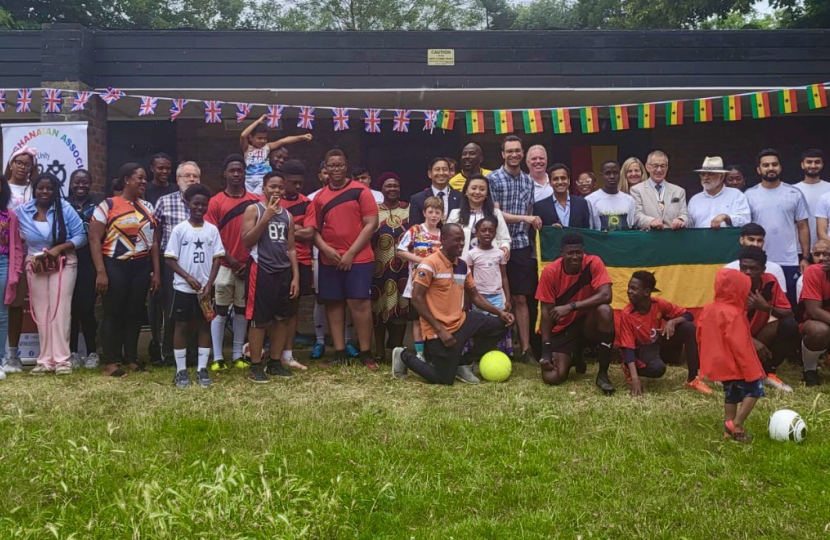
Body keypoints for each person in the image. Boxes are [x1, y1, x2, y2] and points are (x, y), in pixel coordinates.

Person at [391, 223, 514, 385]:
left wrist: (500, 312)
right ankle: (403, 355)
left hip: (460, 321)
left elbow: (475, 296)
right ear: (443, 239)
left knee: (501, 325)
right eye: (457, 240)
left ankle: (463, 363)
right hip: (437, 329)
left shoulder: (462, 265)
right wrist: (440, 330)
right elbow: (416, 299)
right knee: (444, 379)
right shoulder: (429, 264)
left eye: (463, 240)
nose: (461, 244)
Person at [307, 149, 379, 370]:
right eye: (332, 166)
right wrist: (326, 250)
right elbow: (313, 229)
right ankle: (339, 353)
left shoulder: (361, 191)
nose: (336, 169)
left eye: (340, 165)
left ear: (346, 167)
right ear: (325, 169)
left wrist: (350, 253)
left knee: (360, 303)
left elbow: (371, 224)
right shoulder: (319, 197)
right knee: (333, 303)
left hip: (359, 258)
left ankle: (365, 353)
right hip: (330, 258)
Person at [90, 163, 160, 377]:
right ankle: (111, 361)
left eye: (145, 178)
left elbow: (153, 242)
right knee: (113, 313)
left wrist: (156, 272)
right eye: (140, 177)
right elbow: (94, 239)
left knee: (134, 312)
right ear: (126, 180)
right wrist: (101, 271)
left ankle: (131, 358)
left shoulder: (148, 206)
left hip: (140, 267)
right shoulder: (108, 205)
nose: (144, 181)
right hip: (115, 265)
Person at [16, 173, 85, 375]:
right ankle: (45, 361)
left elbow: (81, 236)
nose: (45, 191)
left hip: (63, 261)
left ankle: (62, 361)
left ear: (56, 190)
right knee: (42, 311)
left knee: (60, 310)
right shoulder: (22, 211)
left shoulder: (65, 208)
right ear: (34, 189)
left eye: (49, 188)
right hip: (37, 264)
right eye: (41, 188)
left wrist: (58, 249)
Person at [536, 232, 616, 394]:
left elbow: (606, 295)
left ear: (583, 251)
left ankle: (603, 374)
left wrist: (571, 306)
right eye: (570, 253)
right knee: (552, 377)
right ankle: (575, 355)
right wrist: (546, 350)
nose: (575, 257)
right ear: (562, 253)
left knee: (605, 311)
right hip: (563, 328)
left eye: (578, 252)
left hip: (587, 324)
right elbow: (546, 312)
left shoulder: (593, 262)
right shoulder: (550, 271)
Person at [164, 184, 224, 388]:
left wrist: (209, 284)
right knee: (181, 326)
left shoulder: (212, 230)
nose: (199, 207)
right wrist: (188, 277)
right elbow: (169, 259)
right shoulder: (180, 229)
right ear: (188, 203)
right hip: (183, 287)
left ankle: (202, 369)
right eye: (196, 203)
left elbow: (217, 258)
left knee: (204, 326)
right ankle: (181, 370)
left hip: (204, 290)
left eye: (203, 204)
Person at [241, 172, 299, 383]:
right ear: (264, 188)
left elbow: (291, 248)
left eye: (280, 187)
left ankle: (275, 362)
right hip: (261, 269)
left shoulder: (288, 215)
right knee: (259, 320)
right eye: (272, 186)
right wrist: (266, 218)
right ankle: (256, 365)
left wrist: (295, 277)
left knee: (282, 319)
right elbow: (247, 241)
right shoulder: (254, 209)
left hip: (283, 271)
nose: (277, 191)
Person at [489, 135, 541, 366]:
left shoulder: (529, 181)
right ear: (503, 154)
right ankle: (498, 347)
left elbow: (529, 210)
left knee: (521, 297)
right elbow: (495, 214)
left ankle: (526, 349)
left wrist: (528, 221)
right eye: (509, 151)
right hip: (498, 245)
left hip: (520, 245)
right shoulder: (493, 179)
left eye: (517, 150)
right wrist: (525, 218)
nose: (514, 154)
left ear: (523, 153)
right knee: (497, 297)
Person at [698, 268, 766, 443]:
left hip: (719, 363)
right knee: (755, 390)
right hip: (735, 363)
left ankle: (728, 430)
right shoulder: (734, 313)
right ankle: (737, 424)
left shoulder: (708, 309)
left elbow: (699, 334)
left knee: (731, 394)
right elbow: (740, 343)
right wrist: (750, 368)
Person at [617, 271, 711, 396]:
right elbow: (628, 348)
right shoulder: (627, 314)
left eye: (634, 289)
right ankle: (629, 369)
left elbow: (688, 315)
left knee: (688, 328)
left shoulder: (658, 304)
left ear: (646, 292)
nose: (629, 291)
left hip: (657, 343)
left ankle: (693, 379)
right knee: (657, 369)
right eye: (629, 287)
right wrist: (635, 379)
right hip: (642, 349)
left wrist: (672, 321)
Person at [204, 155, 258, 371]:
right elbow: (212, 236)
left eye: (240, 170)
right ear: (224, 174)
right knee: (220, 310)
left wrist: (246, 262)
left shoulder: (255, 201)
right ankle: (218, 357)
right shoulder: (215, 202)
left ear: (245, 173)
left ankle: (237, 355)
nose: (236, 174)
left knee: (242, 311)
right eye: (232, 170)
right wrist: (232, 260)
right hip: (224, 266)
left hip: (248, 266)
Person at [150, 161, 201, 367]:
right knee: (172, 309)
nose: (192, 179)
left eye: (195, 176)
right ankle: (169, 355)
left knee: (197, 309)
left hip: (198, 263)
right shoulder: (165, 201)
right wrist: (156, 270)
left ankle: (193, 355)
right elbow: (155, 237)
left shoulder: (205, 203)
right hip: (172, 264)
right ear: (178, 179)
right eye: (187, 176)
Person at [745, 148, 810, 305]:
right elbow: (745, 230)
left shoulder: (794, 193)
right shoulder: (749, 195)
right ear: (758, 169)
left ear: (780, 167)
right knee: (760, 305)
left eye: (774, 164)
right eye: (766, 165)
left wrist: (805, 258)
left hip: (789, 260)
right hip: (759, 262)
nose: (771, 168)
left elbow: (803, 227)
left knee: (788, 305)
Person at [736, 246, 798, 393]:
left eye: (753, 268)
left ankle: (768, 372)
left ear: (763, 269)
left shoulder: (770, 281)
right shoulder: (732, 284)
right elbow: (723, 324)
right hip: (734, 337)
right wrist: (749, 340)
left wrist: (766, 308)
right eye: (743, 268)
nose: (747, 272)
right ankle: (731, 373)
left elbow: (789, 313)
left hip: (757, 332)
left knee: (789, 325)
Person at [2, 146, 37, 373]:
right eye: (19, 163)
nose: (23, 168)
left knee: (16, 304)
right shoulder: (4, 187)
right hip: (6, 252)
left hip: (29, 252)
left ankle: (13, 354)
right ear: (11, 164)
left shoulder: (36, 190)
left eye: (27, 164)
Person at [279, 160, 315, 370]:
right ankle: (269, 351)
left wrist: (285, 230)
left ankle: (288, 354)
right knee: (273, 308)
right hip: (274, 260)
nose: (298, 186)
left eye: (300, 182)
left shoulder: (307, 203)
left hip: (300, 260)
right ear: (284, 180)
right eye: (294, 183)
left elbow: (310, 232)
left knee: (293, 308)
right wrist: (296, 228)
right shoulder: (272, 202)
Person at [397, 196, 443, 362]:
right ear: (424, 213)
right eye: (430, 212)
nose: (434, 215)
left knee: (434, 317)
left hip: (436, 283)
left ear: (442, 215)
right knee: (417, 318)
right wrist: (422, 260)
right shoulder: (415, 230)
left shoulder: (443, 234)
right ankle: (419, 353)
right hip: (417, 282)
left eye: (437, 212)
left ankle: (433, 351)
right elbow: (400, 250)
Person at [67, 169, 103, 370]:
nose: (81, 186)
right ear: (71, 183)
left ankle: (92, 352)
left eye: (85, 182)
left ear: (90, 183)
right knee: (70, 309)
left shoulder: (98, 203)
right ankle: (72, 352)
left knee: (87, 308)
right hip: (68, 260)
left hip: (90, 261)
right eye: (77, 182)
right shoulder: (63, 203)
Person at [371, 173, 410, 363]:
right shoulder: (374, 210)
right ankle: (379, 350)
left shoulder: (409, 209)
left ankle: (397, 348)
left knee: (402, 307)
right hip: (379, 267)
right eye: (388, 186)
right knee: (379, 308)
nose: (392, 189)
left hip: (403, 268)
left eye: (395, 185)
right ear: (381, 189)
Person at [239, 114, 312, 195]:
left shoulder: (267, 147)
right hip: (249, 179)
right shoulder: (247, 148)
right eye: (260, 138)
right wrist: (258, 121)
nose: (263, 141)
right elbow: (243, 135)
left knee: (256, 196)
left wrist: (302, 137)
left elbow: (283, 141)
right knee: (249, 198)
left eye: (265, 138)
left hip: (263, 178)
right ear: (251, 138)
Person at [446, 174, 510, 259]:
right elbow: (448, 239)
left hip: (489, 262)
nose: (477, 192)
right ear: (466, 191)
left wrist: (505, 247)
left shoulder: (496, 214)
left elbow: (504, 239)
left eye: (482, 189)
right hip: (461, 261)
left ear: (487, 193)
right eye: (473, 188)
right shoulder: (455, 214)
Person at [796, 240, 830, 387]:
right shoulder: (813, 271)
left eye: (828, 255)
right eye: (819, 254)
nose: (824, 259)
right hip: (814, 322)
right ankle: (809, 369)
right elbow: (813, 311)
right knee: (819, 331)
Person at [631, 150, 689, 230]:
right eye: (655, 166)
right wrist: (651, 221)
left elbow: (685, 215)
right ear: (647, 167)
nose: (659, 170)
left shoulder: (679, 191)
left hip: (672, 236)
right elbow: (636, 215)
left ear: (667, 168)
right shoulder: (637, 190)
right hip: (649, 236)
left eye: (663, 166)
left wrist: (681, 220)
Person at [687, 156, 750, 229]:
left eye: (710, 174)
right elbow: (689, 226)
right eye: (703, 174)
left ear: (722, 176)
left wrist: (726, 217)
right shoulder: (695, 200)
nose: (705, 178)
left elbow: (745, 221)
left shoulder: (736, 195)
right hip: (701, 236)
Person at [0, 174, 22, 379]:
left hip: (3, 263)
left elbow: (16, 247)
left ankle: (0, 362)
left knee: (2, 314)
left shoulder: (10, 216)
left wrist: (14, 273)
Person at [724, 223, 787, 293]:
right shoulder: (730, 268)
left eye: (759, 240)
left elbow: (781, 298)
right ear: (742, 240)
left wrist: (762, 300)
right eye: (751, 240)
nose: (755, 244)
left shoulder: (775, 269)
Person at [533, 164, 591, 228]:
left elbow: (587, 230)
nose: (560, 182)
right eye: (555, 179)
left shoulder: (582, 204)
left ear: (569, 181)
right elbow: (536, 231)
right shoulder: (540, 207)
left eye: (563, 178)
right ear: (550, 182)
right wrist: (550, 230)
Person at [409, 158, 461, 227]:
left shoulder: (460, 197)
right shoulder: (417, 199)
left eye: (444, 169)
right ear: (430, 174)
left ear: (449, 173)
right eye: (437, 169)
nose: (441, 173)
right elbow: (415, 228)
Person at [586, 160, 636, 231]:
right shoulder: (590, 200)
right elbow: (590, 229)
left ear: (620, 175)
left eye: (615, 173)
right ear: (601, 176)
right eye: (607, 173)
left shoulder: (629, 200)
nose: (612, 176)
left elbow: (632, 226)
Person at [794, 149, 829, 251]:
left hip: (826, 250)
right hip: (799, 249)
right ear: (802, 165)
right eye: (809, 162)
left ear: (822, 164)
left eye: (817, 162)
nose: (813, 166)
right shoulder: (793, 191)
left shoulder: (829, 189)